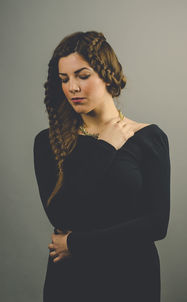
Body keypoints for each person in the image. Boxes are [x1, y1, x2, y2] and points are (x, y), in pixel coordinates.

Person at [33, 30, 171, 302]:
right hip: (72, 281)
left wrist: (75, 243)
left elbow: (156, 224)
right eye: (64, 79)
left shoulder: (149, 138)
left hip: (132, 278)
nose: (72, 87)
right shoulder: (49, 142)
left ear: (108, 75)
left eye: (82, 76)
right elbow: (62, 213)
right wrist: (104, 147)